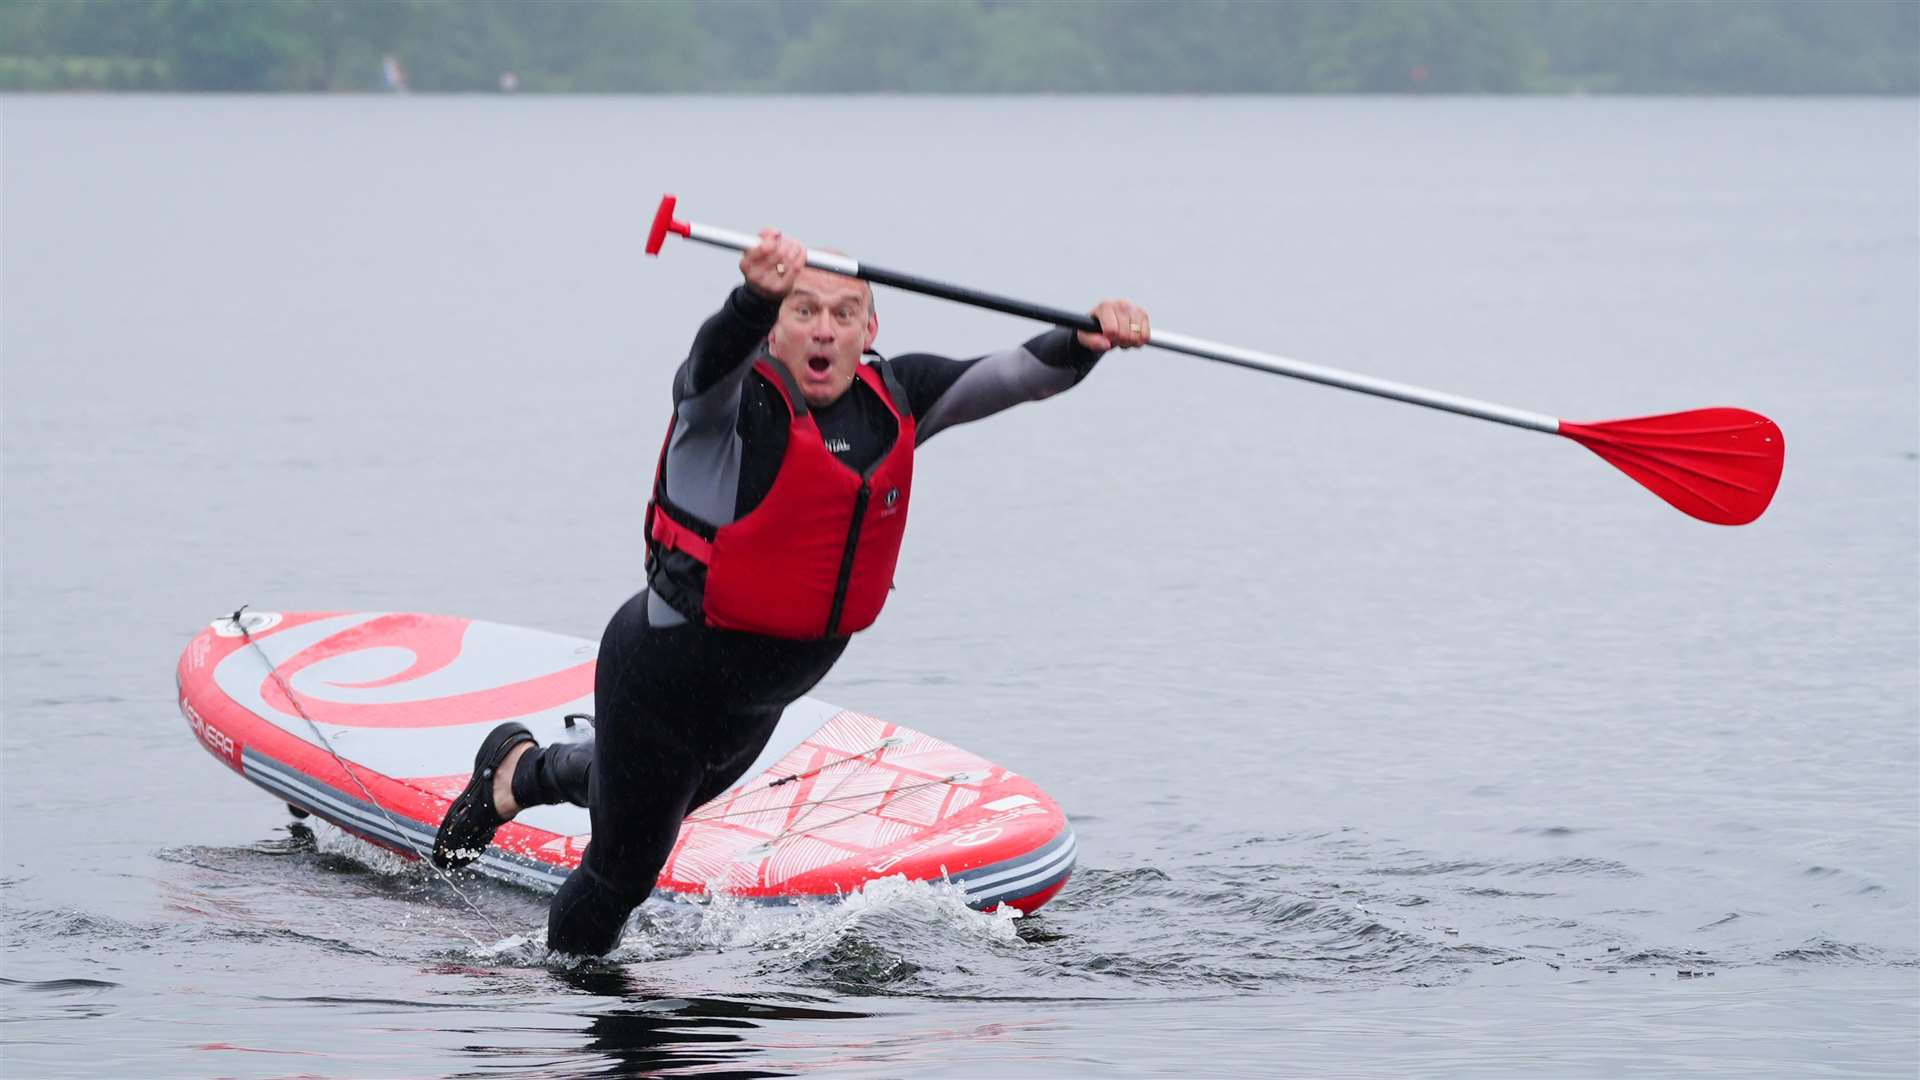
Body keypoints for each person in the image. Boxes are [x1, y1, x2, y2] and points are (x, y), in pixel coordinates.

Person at [431, 228, 1151, 955]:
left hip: (753, 711)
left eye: (844, 314)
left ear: (869, 330)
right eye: (803, 310)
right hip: (660, 680)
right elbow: (707, 364)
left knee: (643, 798)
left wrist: (1088, 339)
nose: (824, 329)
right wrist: (750, 299)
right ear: (775, 326)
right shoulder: (730, 408)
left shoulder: (895, 400)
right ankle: (578, 1010)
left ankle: (515, 773)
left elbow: (1017, 373)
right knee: (621, 876)